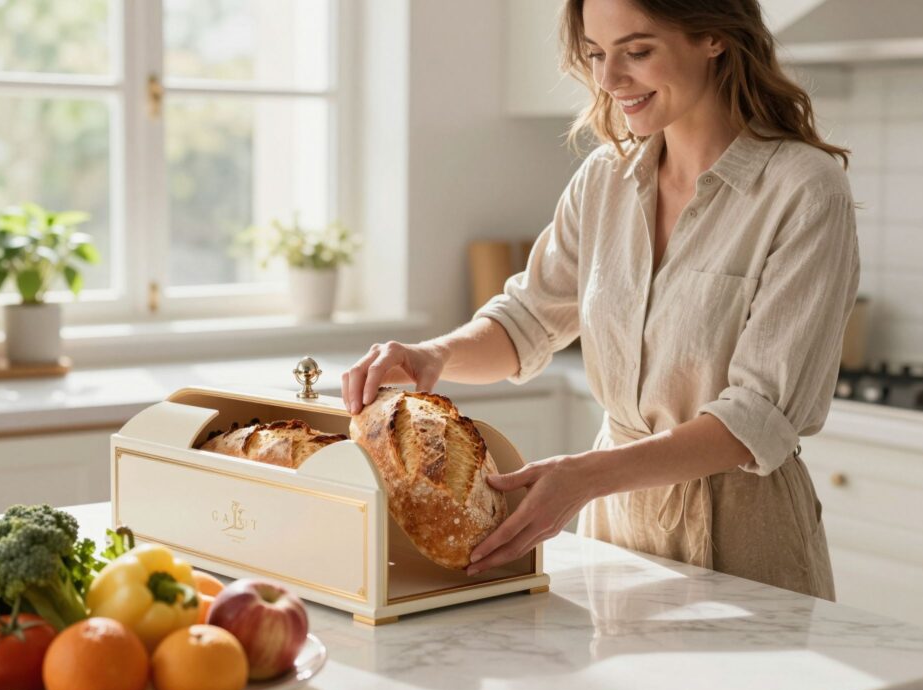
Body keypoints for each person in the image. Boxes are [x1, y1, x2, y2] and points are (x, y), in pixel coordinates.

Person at [341, 0, 858, 599]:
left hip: (743, 536)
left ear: (713, 36)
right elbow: (528, 321)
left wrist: (583, 478)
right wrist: (433, 355)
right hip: (616, 527)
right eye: (595, 55)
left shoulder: (804, 189)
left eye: (637, 52)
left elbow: (755, 419)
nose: (609, 81)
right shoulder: (604, 179)